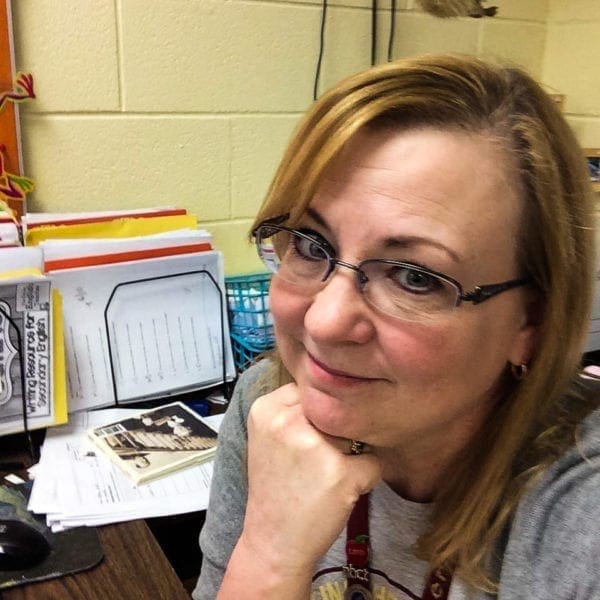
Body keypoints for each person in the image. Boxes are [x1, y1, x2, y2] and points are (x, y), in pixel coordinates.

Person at [193, 54, 600, 599]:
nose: (324, 320)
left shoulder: (579, 506)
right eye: (312, 244)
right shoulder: (272, 405)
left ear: (532, 322)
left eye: (414, 277)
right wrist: (269, 555)